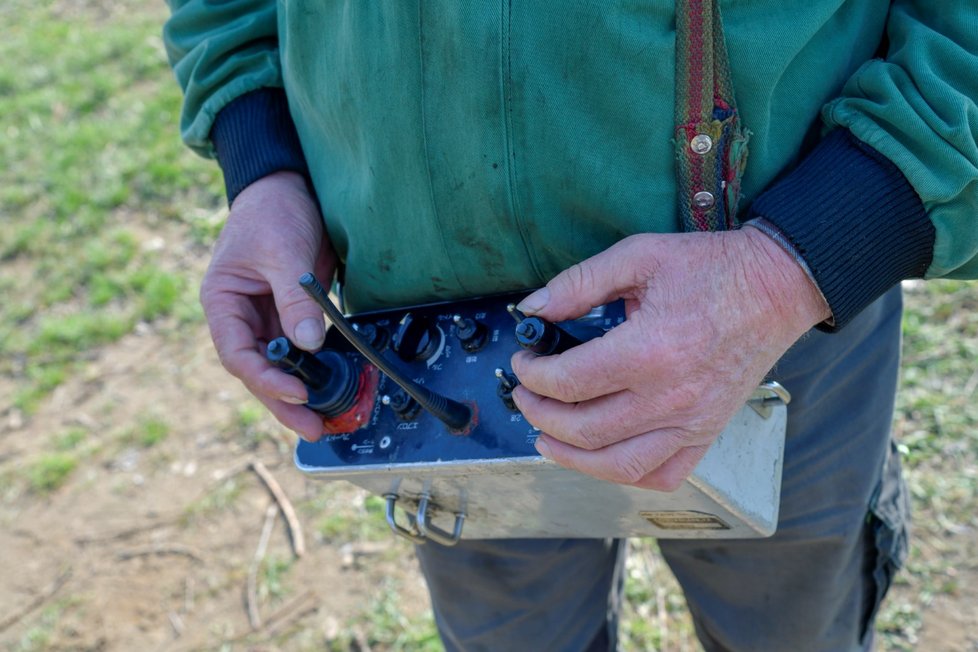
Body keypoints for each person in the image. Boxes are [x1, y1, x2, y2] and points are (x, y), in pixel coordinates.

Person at [164, 2, 977, 650]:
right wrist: (261, 164)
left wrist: (799, 260)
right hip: (425, 368)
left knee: (792, 630)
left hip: (772, 326)